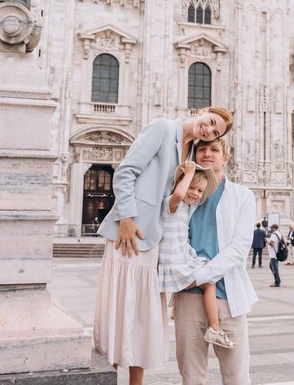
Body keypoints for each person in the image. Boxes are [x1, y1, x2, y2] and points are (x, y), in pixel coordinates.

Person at [94, 107, 233, 385]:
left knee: (143, 315)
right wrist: (126, 217)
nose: (209, 130)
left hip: (155, 238)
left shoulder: (190, 152)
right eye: (211, 122)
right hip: (130, 233)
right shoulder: (162, 128)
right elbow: (125, 172)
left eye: (216, 132)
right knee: (122, 310)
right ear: (203, 112)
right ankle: (107, 377)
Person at [172, 138, 259, 384]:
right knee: (191, 376)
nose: (207, 154)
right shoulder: (184, 194)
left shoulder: (242, 196)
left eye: (214, 150)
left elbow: (240, 247)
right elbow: (171, 238)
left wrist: (198, 277)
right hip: (188, 298)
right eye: (202, 149)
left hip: (228, 297)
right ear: (194, 155)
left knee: (237, 377)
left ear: (225, 156)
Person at [158, 162, 232, 348]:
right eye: (192, 187)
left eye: (200, 191)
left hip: (182, 259)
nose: (195, 193)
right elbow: (179, 194)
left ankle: (210, 326)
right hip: (174, 263)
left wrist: (195, 180)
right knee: (209, 282)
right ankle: (215, 330)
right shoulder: (171, 204)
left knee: (207, 275)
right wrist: (189, 173)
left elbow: (197, 199)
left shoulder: (186, 208)